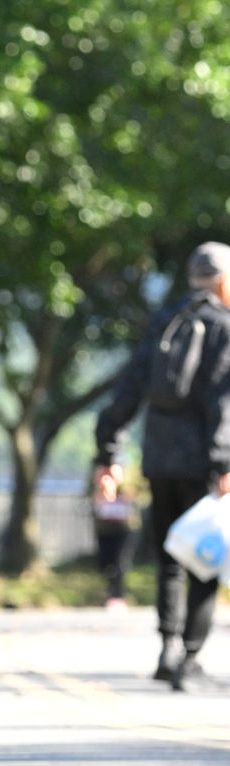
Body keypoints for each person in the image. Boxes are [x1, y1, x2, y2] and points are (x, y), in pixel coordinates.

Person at [95, 242, 230, 691]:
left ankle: (167, 649)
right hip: (204, 466)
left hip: (158, 459)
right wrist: (224, 463)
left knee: (171, 557)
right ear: (223, 282)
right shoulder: (224, 326)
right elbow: (222, 403)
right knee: (204, 559)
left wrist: (108, 454)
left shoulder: (165, 320)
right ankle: (190, 657)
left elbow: (128, 389)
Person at [92, 465, 142, 609]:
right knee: (106, 563)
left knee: (120, 562)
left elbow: (138, 497)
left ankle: (118, 596)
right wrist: (100, 485)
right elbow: (94, 502)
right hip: (105, 528)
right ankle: (110, 593)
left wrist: (122, 484)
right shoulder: (100, 475)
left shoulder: (130, 477)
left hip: (124, 528)